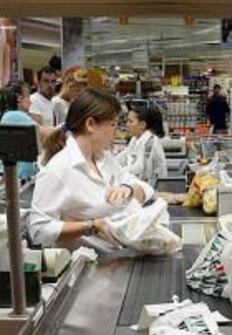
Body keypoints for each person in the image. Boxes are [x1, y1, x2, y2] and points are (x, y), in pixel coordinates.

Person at [30, 87, 155, 250]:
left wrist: (128, 189)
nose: (116, 133)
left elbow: (146, 191)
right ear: (90, 124)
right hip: (86, 268)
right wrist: (91, 226)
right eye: (112, 125)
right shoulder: (58, 170)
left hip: (118, 257)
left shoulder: (104, 158)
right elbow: (38, 229)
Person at [117, 105, 167, 185]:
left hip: (154, 186)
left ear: (142, 125)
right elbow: (124, 156)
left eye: (130, 121)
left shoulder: (150, 142)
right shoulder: (134, 139)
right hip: (138, 183)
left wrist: (119, 171)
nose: (127, 125)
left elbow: (141, 167)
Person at [0, 81, 37, 181]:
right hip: (18, 180)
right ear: (19, 98)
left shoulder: (7, 115)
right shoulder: (15, 115)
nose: (31, 102)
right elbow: (44, 134)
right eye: (28, 97)